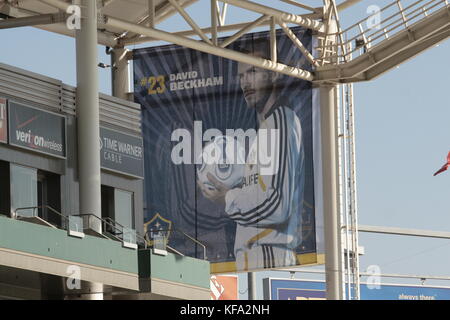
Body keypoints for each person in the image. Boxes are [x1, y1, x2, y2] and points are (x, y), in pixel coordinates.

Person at [197, 41, 306, 271]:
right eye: (241, 76)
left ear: (273, 76)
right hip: (254, 258)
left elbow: (277, 204)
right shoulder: (266, 128)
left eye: (253, 72)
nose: (245, 82)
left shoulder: (281, 122)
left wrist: (227, 198)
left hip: (270, 256)